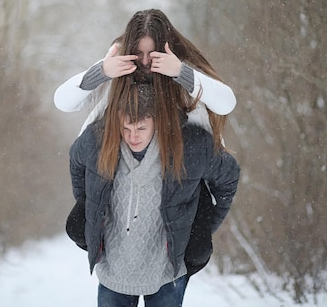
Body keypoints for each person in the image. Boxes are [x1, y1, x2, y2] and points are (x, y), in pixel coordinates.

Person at [67, 82, 240, 307]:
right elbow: (76, 163)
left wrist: (204, 227)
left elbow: (229, 178)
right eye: (126, 129)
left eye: (141, 128)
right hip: (113, 271)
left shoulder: (191, 146)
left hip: (167, 273)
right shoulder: (97, 141)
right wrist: (87, 206)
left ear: (157, 122)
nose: (133, 137)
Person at [54, 9, 236, 150]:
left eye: (153, 53)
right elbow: (63, 102)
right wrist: (101, 71)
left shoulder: (180, 66)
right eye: (138, 53)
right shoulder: (117, 65)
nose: (146, 61)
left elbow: (226, 103)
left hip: (179, 175)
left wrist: (181, 73)